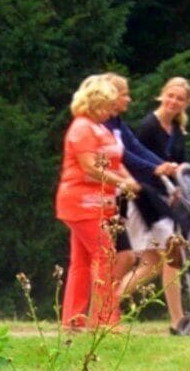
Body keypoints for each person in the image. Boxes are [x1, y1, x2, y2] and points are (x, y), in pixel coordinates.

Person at [56, 73, 139, 330]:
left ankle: (73, 319)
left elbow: (115, 160)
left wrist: (128, 179)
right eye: (105, 106)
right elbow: (90, 168)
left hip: (101, 204)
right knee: (105, 257)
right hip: (81, 203)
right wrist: (121, 182)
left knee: (81, 262)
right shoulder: (81, 128)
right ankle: (104, 320)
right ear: (92, 104)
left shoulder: (100, 128)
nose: (109, 111)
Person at [115, 75, 190, 327]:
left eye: (179, 98)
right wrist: (158, 170)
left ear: (186, 103)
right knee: (172, 258)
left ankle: (107, 304)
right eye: (170, 95)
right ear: (162, 95)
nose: (173, 101)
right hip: (147, 200)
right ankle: (177, 320)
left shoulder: (177, 130)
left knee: (151, 265)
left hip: (163, 198)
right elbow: (134, 158)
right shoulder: (149, 126)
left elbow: (180, 166)